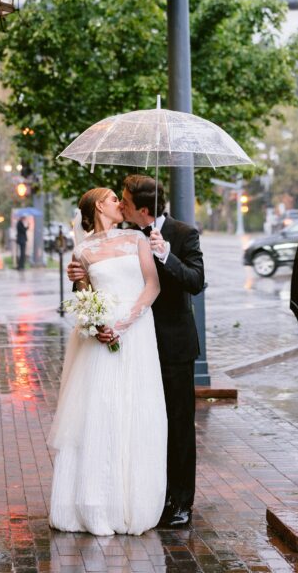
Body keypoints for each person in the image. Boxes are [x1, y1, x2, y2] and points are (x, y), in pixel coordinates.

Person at [68, 175, 204, 529]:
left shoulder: (183, 233)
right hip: (132, 344)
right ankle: (143, 494)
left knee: (176, 424)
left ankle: (180, 501)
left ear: (143, 209)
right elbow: (97, 279)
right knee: (138, 420)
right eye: (118, 200)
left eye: (125, 201)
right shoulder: (122, 236)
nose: (122, 205)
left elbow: (195, 281)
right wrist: (77, 274)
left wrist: (166, 254)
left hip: (171, 344)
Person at [49, 187, 166, 535]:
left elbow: (152, 285)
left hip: (136, 333)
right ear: (100, 205)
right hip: (100, 340)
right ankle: (94, 504)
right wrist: (96, 319)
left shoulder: (137, 239)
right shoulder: (82, 251)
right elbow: (84, 298)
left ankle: (133, 504)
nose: (121, 204)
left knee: (135, 411)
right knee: (100, 412)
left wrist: (124, 323)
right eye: (115, 199)